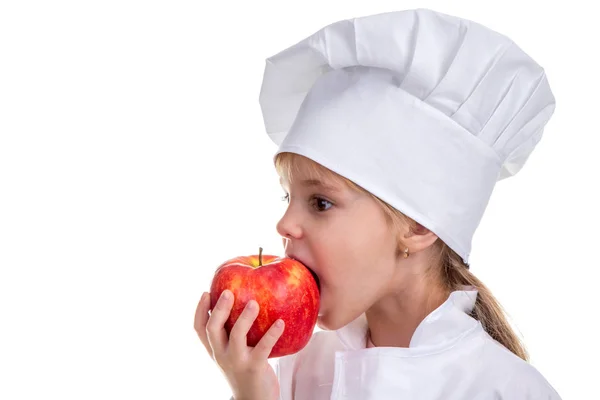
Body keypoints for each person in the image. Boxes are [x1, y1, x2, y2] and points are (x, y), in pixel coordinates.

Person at [195, 8, 561, 399]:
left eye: (320, 202)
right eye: (289, 197)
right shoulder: (296, 369)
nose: (284, 224)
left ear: (418, 225)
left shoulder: (505, 389)